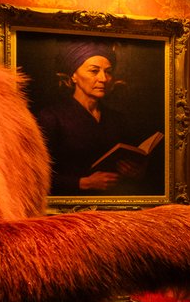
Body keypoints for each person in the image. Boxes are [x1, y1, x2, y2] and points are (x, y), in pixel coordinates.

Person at [34, 42, 161, 196]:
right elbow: (35, 175)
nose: (103, 78)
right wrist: (83, 183)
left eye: (108, 72)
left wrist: (135, 172)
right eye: (94, 71)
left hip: (114, 203)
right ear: (73, 76)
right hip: (69, 206)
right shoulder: (51, 117)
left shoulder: (118, 119)